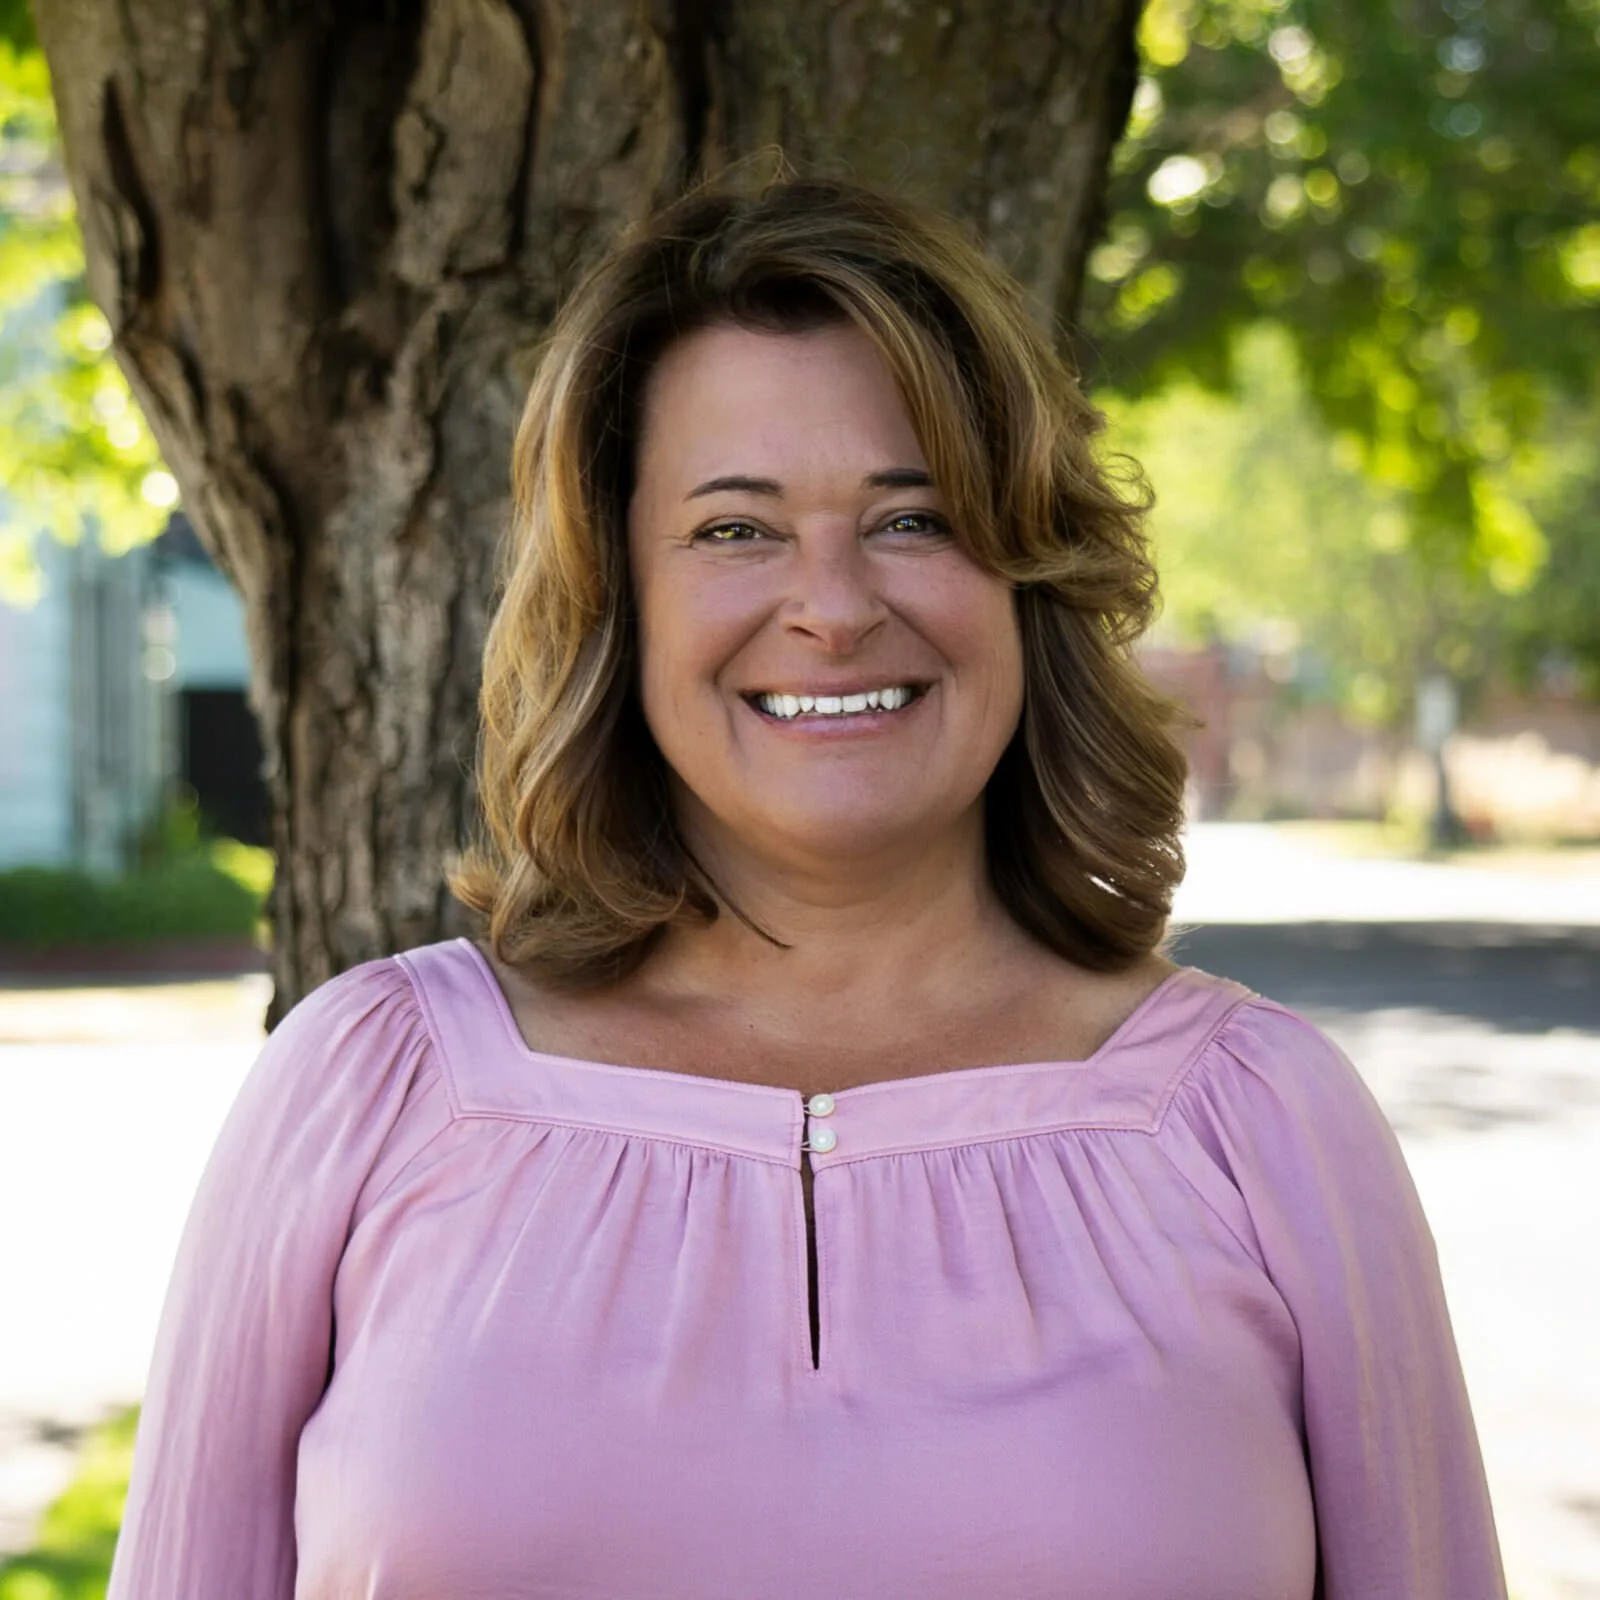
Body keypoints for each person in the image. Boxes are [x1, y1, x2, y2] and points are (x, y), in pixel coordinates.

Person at [108, 175, 1506, 1599]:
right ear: (619, 601)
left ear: (1028, 578)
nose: (834, 606)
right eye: (735, 529)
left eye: (915, 518)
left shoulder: (1260, 1126)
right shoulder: (367, 1092)